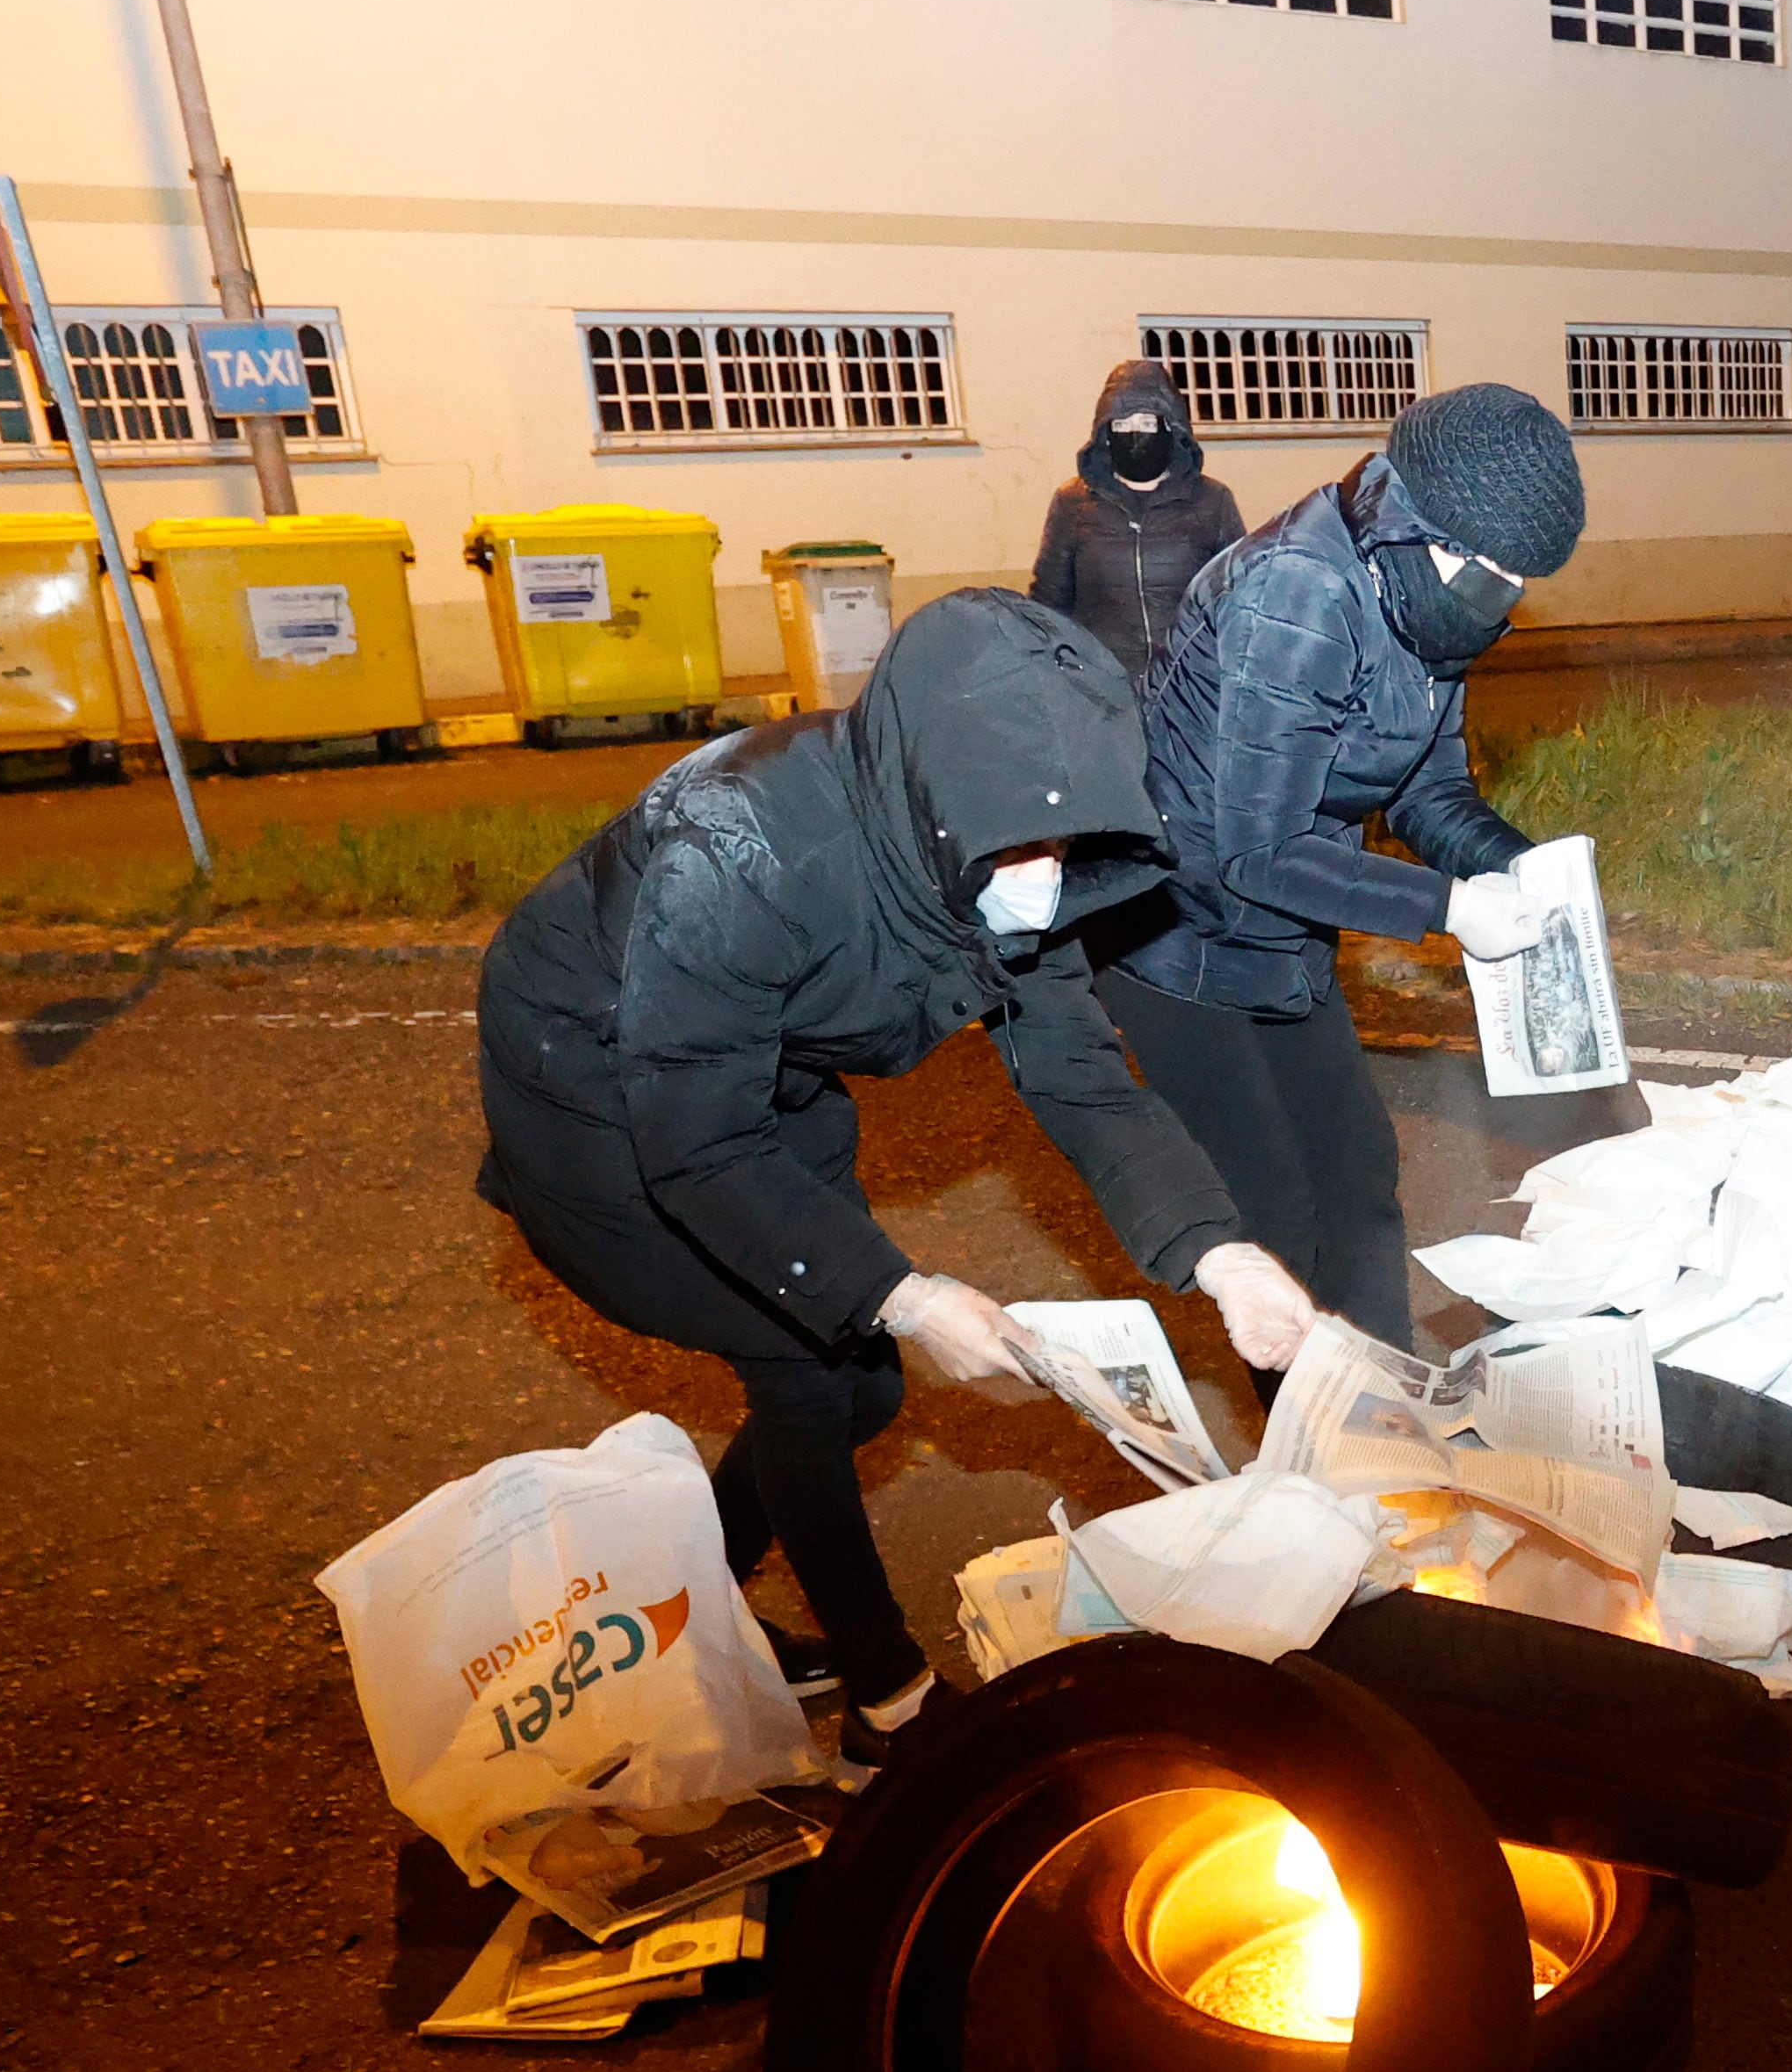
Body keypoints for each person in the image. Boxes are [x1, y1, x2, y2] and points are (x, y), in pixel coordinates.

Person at [474, 591, 1319, 1757]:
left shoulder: (994, 822)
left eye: (1063, 843)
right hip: (601, 1082)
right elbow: (698, 1140)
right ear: (937, 800)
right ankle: (891, 1700)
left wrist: (1220, 1255)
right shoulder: (746, 850)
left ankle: (694, 1606)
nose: (1044, 874)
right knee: (817, 1373)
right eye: (1020, 844)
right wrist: (909, 1297)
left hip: (767, 1064)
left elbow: (1078, 1070)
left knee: (860, 1385)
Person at [1099, 382, 1591, 1353]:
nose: (1498, 592)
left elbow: (1427, 792)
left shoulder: (1431, 600)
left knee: (1357, 1167)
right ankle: (1313, 1456)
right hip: (1174, 928)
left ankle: (1382, 1407)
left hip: (1284, 921)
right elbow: (1256, 847)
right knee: (1273, 1205)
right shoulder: (1300, 590)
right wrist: (1449, 906)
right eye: (1483, 566)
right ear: (1414, 524)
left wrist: (1527, 872)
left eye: (1515, 576)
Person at [1029, 358, 1246, 684]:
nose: (1135, 433)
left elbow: (1239, 596)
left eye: (1147, 423)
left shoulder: (1211, 501)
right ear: (1105, 433)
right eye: (1122, 425)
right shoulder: (1073, 503)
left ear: (1172, 428)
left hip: (1191, 684)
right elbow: (1049, 602)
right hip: (1103, 688)